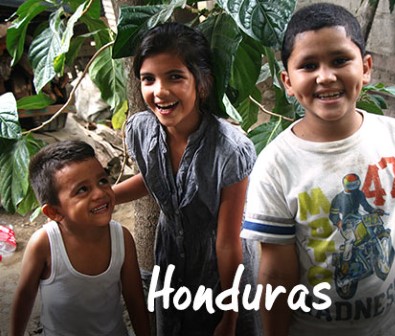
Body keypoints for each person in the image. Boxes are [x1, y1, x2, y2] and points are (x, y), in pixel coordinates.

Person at [240, 3, 395, 336]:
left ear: (366, 67)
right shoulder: (275, 164)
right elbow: (276, 275)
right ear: (287, 81)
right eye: (309, 65)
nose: (326, 75)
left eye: (340, 60)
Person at [112, 22, 259, 336]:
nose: (160, 91)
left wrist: (230, 316)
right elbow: (155, 180)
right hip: (170, 259)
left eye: (175, 77)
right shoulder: (141, 128)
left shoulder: (230, 149)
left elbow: (228, 242)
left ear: (201, 82)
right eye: (148, 79)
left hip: (220, 270)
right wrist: (108, 197)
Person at [9, 140, 150, 336]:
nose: (100, 193)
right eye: (82, 190)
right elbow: (24, 297)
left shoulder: (122, 238)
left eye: (102, 180)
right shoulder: (45, 244)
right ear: (54, 212)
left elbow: (135, 300)